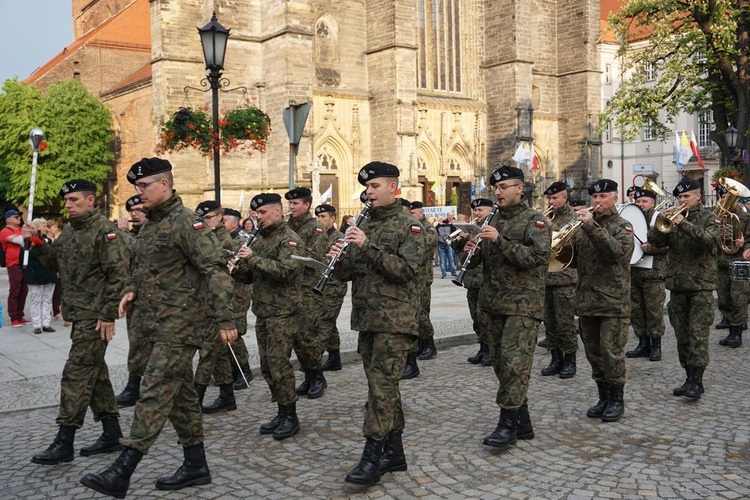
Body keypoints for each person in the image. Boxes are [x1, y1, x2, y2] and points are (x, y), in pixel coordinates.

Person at [80, 158, 237, 497]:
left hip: (182, 326)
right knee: (181, 399)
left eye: (144, 187)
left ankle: (123, 470)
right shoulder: (151, 226)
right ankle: (196, 465)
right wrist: (131, 289)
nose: (139, 194)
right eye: (137, 188)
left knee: (152, 391)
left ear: (164, 185)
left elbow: (216, 271)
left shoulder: (187, 223)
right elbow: (143, 267)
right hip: (156, 324)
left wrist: (225, 319)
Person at [328, 161, 425, 485]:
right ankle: (394, 453)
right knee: (383, 388)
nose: (368, 193)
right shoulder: (363, 224)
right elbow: (348, 273)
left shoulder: (410, 227)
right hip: (367, 319)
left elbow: (405, 270)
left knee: (380, 390)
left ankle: (371, 458)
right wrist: (338, 257)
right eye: (367, 188)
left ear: (393, 187)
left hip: (395, 321)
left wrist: (366, 246)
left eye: (374, 187)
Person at [28, 179, 130, 466]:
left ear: (91, 201)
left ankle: (65, 440)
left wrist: (108, 313)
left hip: (95, 317)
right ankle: (112, 433)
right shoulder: (71, 232)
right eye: (67, 201)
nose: (68, 205)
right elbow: (57, 263)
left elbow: (118, 275)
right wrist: (36, 242)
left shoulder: (105, 232)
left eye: (74, 200)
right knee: (95, 375)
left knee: (75, 375)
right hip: (79, 313)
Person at [464, 165, 550, 448]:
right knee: (502, 365)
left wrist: (499, 241)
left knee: (514, 365)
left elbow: (535, 258)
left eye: (503, 188)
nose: (498, 193)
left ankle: (507, 424)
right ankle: (522, 421)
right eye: (496, 189)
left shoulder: (534, 221)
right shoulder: (493, 219)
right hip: (492, 304)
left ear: (519, 189)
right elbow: (482, 262)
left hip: (521, 306)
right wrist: (470, 249)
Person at [234, 193, 304, 440]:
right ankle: (281, 410)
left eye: (262, 213)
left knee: (279, 364)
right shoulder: (259, 240)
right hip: (263, 311)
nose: (258, 218)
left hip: (283, 312)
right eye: (256, 214)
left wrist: (252, 259)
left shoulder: (289, 239)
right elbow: (251, 276)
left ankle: (290, 414)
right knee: (266, 366)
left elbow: (285, 271)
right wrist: (237, 268)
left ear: (277, 210)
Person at [647, 178, 719, 399]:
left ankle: (697, 382)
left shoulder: (710, 218)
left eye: (686, 196)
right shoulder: (673, 219)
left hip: (701, 287)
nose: (682, 200)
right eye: (680, 197)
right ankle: (688, 377)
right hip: (677, 286)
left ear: (698, 196)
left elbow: (709, 241)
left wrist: (682, 223)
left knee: (698, 335)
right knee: (682, 336)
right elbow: (655, 242)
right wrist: (662, 221)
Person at [572, 179, 634, 423]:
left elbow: (616, 253)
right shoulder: (584, 227)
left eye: (603, 197)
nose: (597, 202)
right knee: (593, 354)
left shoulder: (623, 226)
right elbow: (573, 260)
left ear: (614, 199)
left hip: (613, 303)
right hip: (587, 301)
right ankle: (603, 397)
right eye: (594, 198)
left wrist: (590, 226)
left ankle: (617, 400)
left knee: (612, 353)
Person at [192, 200, 240, 414]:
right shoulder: (204, 237)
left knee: (207, 352)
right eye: (202, 219)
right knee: (219, 354)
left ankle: (194, 400)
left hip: (217, 303)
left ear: (220, 216)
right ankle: (227, 396)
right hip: (204, 301)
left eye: (209, 218)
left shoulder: (223, 241)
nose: (205, 222)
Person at [285, 187, 329, 399]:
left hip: (308, 289)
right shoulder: (285, 226)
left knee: (307, 336)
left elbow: (314, 256)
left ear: (306, 206)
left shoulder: (316, 228)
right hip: (289, 290)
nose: (291, 207)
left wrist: (289, 253)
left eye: (295, 204)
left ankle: (317, 376)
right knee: (295, 337)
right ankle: (308, 376)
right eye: (290, 204)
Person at [540, 181, 579, 379]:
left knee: (565, 323)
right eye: (549, 198)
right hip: (547, 278)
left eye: (555, 198)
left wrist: (549, 227)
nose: (551, 201)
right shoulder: (549, 217)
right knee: (550, 323)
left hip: (565, 278)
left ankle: (570, 361)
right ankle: (555, 359)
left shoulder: (574, 218)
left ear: (565, 198)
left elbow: (569, 242)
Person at [115, 195, 150, 407]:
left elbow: (140, 250)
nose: (134, 214)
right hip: (135, 297)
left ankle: (138, 387)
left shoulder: (149, 232)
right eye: (131, 211)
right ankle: (134, 385)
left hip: (153, 299)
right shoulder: (135, 234)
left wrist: (121, 232)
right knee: (136, 342)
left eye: (138, 210)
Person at [625, 188, 668, 361]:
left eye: (645, 201)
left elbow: (669, 246)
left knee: (654, 311)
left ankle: (656, 345)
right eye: (638, 201)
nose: (641, 204)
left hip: (653, 273)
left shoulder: (660, 219)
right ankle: (643, 343)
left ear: (653, 202)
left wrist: (651, 249)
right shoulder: (632, 217)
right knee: (637, 310)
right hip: (635, 271)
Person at [454, 198, 493, 366]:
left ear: (490, 210)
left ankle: (490, 350)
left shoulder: (491, 227)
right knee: (476, 318)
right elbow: (463, 255)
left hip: (485, 279)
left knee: (485, 318)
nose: (477, 213)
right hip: (471, 279)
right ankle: (483, 348)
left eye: (481, 210)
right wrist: (462, 241)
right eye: (475, 211)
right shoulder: (474, 228)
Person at [713, 182, 750, 347]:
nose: (725, 200)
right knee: (724, 297)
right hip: (721, 260)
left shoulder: (744, 217)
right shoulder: (716, 217)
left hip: (739, 261)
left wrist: (746, 244)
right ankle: (731, 328)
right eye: (723, 197)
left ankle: (737, 333)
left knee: (738, 298)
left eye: (729, 197)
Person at [223, 208, 254, 389]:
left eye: (225, 220)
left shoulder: (241, 242)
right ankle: (232, 371)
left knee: (235, 334)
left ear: (235, 223)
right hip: (225, 294)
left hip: (238, 294)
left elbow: (247, 270)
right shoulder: (222, 240)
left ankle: (244, 370)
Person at [315, 204, 347, 371]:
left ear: (332, 219)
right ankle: (334, 358)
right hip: (321, 285)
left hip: (334, 286)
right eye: (318, 218)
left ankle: (314, 361)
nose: (319, 221)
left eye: (323, 217)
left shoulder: (339, 238)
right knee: (329, 323)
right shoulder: (318, 236)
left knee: (324, 323)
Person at [409, 200, 438, 363]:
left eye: (413, 213)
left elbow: (426, 247)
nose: (411, 216)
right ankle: (420, 343)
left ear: (421, 213)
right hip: (413, 277)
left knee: (422, 313)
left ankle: (429, 344)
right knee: (415, 313)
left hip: (423, 277)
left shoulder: (428, 229)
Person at [25, 218, 57, 334]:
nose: (46, 228)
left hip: (49, 273)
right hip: (36, 273)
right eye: (43, 226)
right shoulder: (30, 241)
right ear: (37, 227)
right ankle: (37, 324)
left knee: (47, 299)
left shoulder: (48, 240)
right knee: (36, 299)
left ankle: (46, 323)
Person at [1, 209, 30, 327]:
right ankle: (13, 316)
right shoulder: (5, 231)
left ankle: (20, 314)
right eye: (15, 217)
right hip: (13, 263)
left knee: (24, 290)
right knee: (15, 289)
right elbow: (18, 241)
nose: (18, 218)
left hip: (24, 262)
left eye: (19, 217)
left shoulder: (21, 230)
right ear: (8, 219)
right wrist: (26, 234)